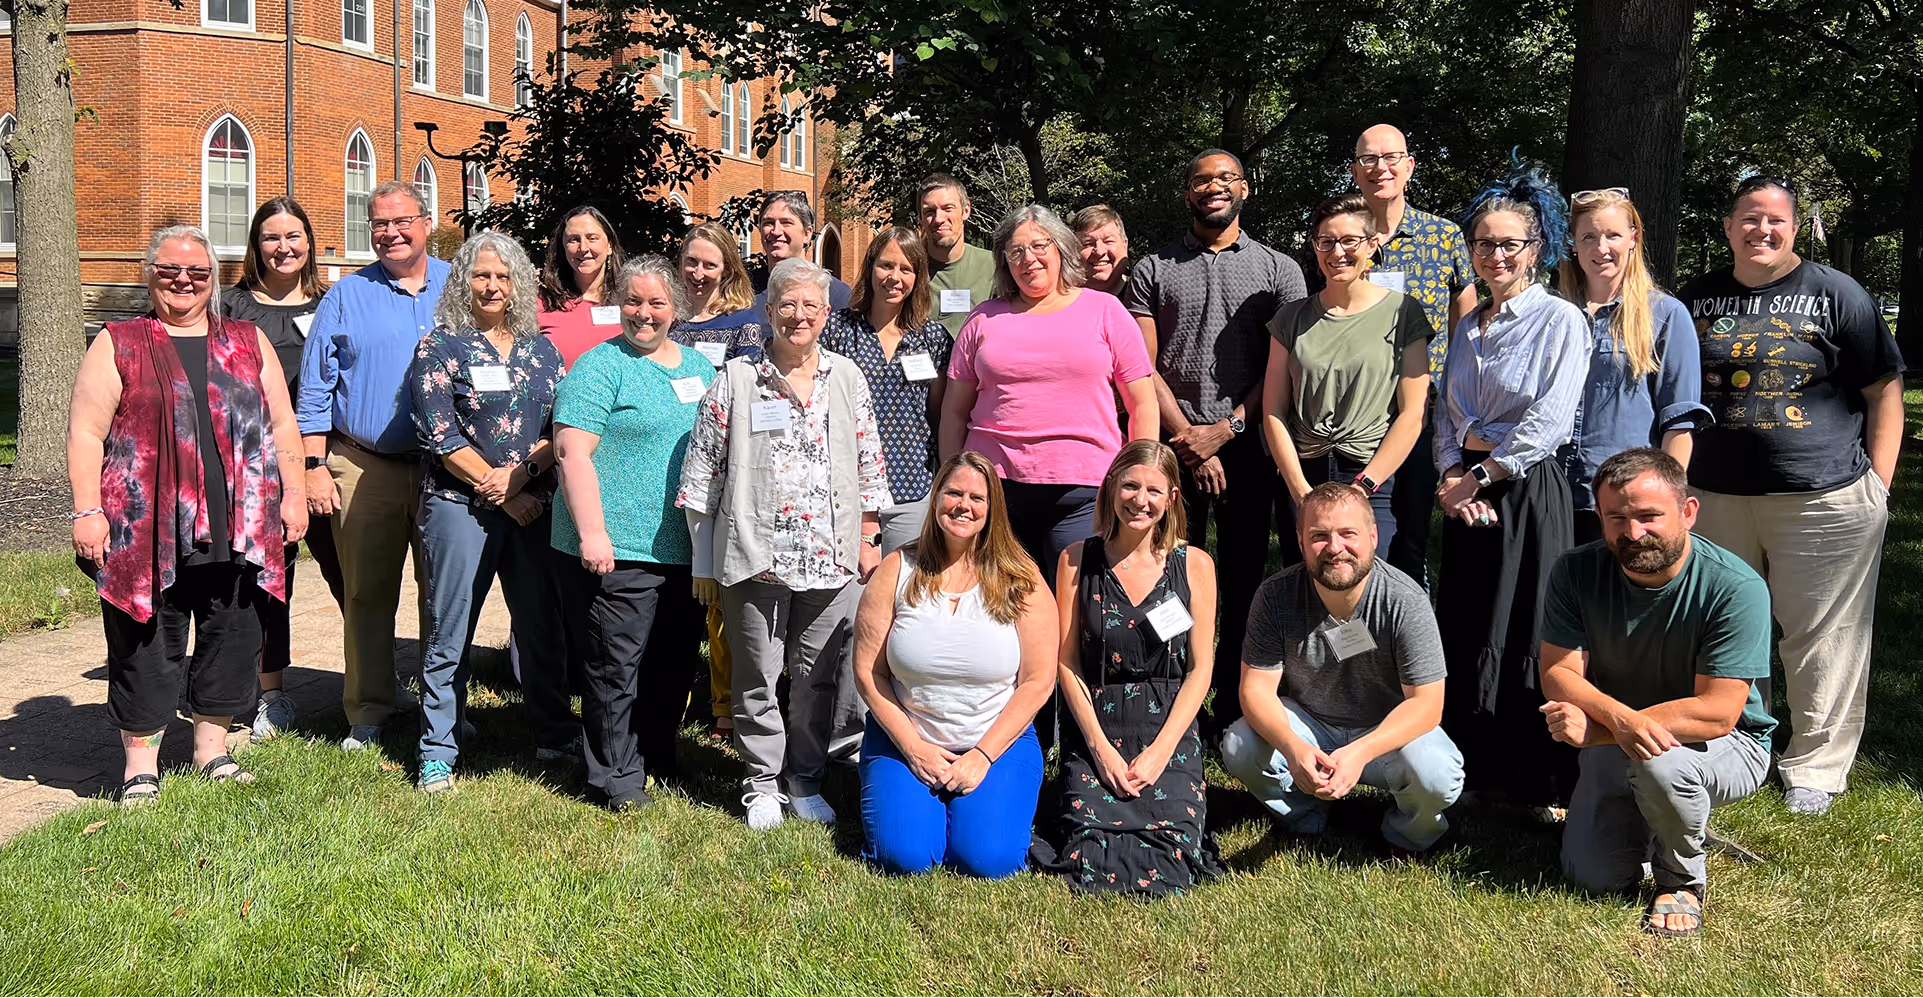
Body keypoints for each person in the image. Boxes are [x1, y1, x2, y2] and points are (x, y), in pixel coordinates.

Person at [1676, 176, 1905, 816]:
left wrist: (1879, 486)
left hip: (1824, 497)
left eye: (1775, 220)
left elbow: (1884, 389)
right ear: (1728, 228)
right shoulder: (1697, 299)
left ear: (1794, 228)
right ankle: (1738, 742)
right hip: (1713, 496)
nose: (1762, 231)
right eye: (1749, 219)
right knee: (1727, 628)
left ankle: (1816, 766)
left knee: (1821, 634)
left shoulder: (1838, 294)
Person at [68, 225, 307, 804]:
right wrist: (87, 510)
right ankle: (140, 765)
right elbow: (86, 431)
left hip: (241, 522)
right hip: (144, 525)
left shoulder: (249, 340)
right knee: (145, 638)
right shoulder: (119, 340)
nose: (183, 281)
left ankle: (211, 750)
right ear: (149, 276)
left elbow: (280, 425)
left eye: (198, 272)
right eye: (170, 270)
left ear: (214, 280)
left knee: (234, 632)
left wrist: (294, 494)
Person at [678, 257, 891, 830]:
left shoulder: (847, 377)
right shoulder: (737, 380)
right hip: (755, 554)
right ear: (768, 312)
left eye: (811, 307)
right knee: (756, 676)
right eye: (787, 305)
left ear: (826, 314)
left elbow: (869, 464)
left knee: (817, 678)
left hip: (831, 556)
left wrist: (868, 537)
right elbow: (703, 476)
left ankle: (804, 779)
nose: (799, 317)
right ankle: (761, 783)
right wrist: (704, 560)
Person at [1540, 449, 1774, 937]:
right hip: (1620, 733)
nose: (1632, 533)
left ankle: (1681, 881)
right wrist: (1619, 722)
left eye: (1649, 516)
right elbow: (1559, 674)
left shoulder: (1734, 586)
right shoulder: (1575, 571)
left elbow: (1717, 713)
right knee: (1592, 879)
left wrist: (1605, 730)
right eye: (1616, 518)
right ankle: (1663, 822)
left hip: (1729, 746)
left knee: (1661, 764)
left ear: (1688, 512)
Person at [1123, 148, 1306, 734]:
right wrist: (1186, 437)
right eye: (1201, 180)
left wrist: (1223, 432)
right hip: (1173, 455)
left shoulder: (1280, 271)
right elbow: (1140, 365)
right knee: (1169, 575)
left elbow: (1281, 368)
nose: (1213, 188)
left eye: (1225, 178)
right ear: (1187, 194)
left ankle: (1234, 703)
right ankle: (1171, 693)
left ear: (1245, 188)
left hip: (1249, 450)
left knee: (1243, 579)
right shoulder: (1153, 268)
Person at [1433, 164, 1589, 810]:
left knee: (1523, 627)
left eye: (1508, 245)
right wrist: (1449, 474)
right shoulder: (1468, 326)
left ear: (1536, 250)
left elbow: (1547, 422)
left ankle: (1535, 777)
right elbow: (1448, 410)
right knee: (1467, 623)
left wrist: (1476, 475)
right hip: (1464, 490)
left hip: (1522, 489)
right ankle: (1470, 768)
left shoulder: (1558, 321)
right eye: (1482, 244)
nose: (1493, 256)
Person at [406, 230, 569, 792]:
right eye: (481, 275)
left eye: (503, 276)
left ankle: (553, 732)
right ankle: (437, 750)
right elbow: (438, 433)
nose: (493, 285)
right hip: (459, 506)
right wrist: (500, 488)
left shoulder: (540, 349)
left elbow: (558, 429)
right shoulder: (440, 346)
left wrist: (522, 480)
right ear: (463, 282)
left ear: (519, 284)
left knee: (539, 624)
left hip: (532, 508)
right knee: (451, 628)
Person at [553, 256, 716, 810]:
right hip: (617, 546)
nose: (644, 314)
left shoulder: (700, 369)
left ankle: (657, 756)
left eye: (656, 303)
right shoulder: (601, 367)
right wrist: (592, 534)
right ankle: (614, 777)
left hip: (685, 546)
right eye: (633, 301)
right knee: (614, 665)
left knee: (672, 661)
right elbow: (572, 453)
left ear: (677, 308)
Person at [1220, 482, 1462, 856]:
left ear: (1372, 535)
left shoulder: (1405, 599)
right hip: (1312, 726)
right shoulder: (1275, 595)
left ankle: (1406, 833)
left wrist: (1361, 751)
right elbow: (1255, 690)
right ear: (1300, 541)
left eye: (1348, 534)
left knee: (1437, 775)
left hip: (1385, 732)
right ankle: (1306, 813)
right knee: (1239, 746)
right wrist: (1293, 747)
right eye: (1319, 536)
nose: (1335, 548)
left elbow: (1427, 704)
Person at [851, 452, 1056, 877]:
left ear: (992, 507)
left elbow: (1038, 681)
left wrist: (982, 755)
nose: (964, 505)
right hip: (907, 737)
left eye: (976, 497)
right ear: (936, 498)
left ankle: (976, 813)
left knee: (987, 860)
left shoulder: (1023, 578)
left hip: (997, 743)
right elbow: (870, 673)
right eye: (954, 493)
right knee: (905, 858)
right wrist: (913, 747)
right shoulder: (897, 569)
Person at [298, 180, 449, 750]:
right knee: (365, 593)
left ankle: (444, 706)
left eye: (401, 221)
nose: (390, 233)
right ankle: (368, 709)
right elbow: (316, 388)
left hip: (447, 467)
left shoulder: (460, 284)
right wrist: (314, 465)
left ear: (426, 222)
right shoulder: (345, 296)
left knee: (443, 593)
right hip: (364, 465)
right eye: (379, 224)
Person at [1034, 441, 1225, 895]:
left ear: (1172, 498)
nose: (1141, 500)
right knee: (1086, 847)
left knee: (1174, 849)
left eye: (1154, 490)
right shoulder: (1076, 560)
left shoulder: (1195, 565)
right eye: (1130, 486)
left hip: (1168, 724)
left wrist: (1161, 751)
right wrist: (1099, 749)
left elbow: (1200, 670)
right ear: (1111, 489)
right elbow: (1068, 662)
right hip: (1098, 721)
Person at [939, 203, 1158, 584]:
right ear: (1005, 261)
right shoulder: (983, 319)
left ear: (1061, 249)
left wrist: (1141, 477)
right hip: (995, 490)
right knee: (1003, 606)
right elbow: (954, 412)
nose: (1029, 259)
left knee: (1078, 607)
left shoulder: (1105, 311)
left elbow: (1142, 402)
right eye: (1016, 251)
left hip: (1085, 491)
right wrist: (953, 481)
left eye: (1040, 246)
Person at [219, 196, 341, 740]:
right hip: (257, 469)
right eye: (271, 237)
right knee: (270, 581)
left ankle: (373, 681)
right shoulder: (231, 308)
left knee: (354, 579)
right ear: (256, 245)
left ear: (310, 243)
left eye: (294, 236)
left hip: (329, 462)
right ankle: (271, 693)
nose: (283, 247)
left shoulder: (335, 303)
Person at [1265, 193, 1433, 564]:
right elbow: (1274, 410)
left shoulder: (1403, 313)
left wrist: (1366, 485)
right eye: (1326, 241)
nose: (1337, 251)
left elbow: (1412, 413)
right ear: (1315, 246)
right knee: (1308, 590)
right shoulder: (1290, 319)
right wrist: (1299, 490)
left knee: (1369, 587)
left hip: (1373, 474)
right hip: (1304, 472)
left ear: (1372, 245)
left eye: (1349, 240)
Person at [1352, 123, 1480, 587]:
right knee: (1358, 528)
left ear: (1408, 167)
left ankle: (1411, 639)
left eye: (1390, 158)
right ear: (1354, 171)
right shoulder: (1343, 240)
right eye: (1368, 159)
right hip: (1357, 414)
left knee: (1412, 535)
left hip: (1427, 413)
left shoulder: (1444, 237)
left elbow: (1468, 327)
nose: (1379, 168)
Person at [1556, 188, 1708, 545]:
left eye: (1612, 235)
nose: (1601, 248)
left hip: (1626, 504)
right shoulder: (1554, 313)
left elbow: (1679, 424)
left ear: (1633, 239)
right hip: (1553, 495)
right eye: (1589, 237)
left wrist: (1668, 503)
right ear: (1573, 244)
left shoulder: (1666, 315)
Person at [675, 221, 777, 742]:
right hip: (668, 461)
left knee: (719, 592)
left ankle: (724, 705)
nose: (698, 272)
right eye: (690, 262)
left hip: (724, 465)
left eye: (709, 263)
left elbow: (747, 393)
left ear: (727, 268)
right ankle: (677, 693)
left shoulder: (744, 324)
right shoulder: (666, 320)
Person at [822, 227, 950, 556]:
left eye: (906, 269)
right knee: (851, 601)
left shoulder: (932, 338)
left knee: (903, 596)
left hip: (912, 489)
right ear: (870, 267)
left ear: (918, 277)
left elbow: (937, 413)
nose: (894, 277)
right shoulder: (837, 330)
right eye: (886, 265)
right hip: (847, 490)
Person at [536, 205, 629, 369]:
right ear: (563, 247)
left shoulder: (630, 302)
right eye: (573, 239)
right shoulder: (542, 303)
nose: (584, 248)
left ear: (610, 246)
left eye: (592, 238)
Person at [916, 174, 997, 340]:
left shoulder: (994, 266)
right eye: (929, 211)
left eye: (948, 208)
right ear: (920, 218)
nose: (938, 219)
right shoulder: (908, 269)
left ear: (966, 211)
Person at [749, 191, 852, 309]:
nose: (776, 231)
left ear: (807, 234)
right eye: (769, 223)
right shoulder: (741, 289)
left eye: (786, 223)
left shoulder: (835, 294)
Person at [1072, 205, 1131, 297]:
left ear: (1125, 246)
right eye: (1088, 243)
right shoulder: (1061, 302)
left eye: (1108, 241)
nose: (1099, 251)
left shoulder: (1145, 297)